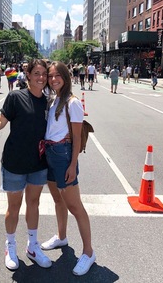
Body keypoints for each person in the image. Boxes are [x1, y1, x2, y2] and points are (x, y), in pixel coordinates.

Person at [0, 59, 52, 270]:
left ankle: (33, 245)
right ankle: (10, 245)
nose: (41, 77)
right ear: (29, 74)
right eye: (37, 73)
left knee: (34, 204)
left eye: (44, 74)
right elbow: (0, 123)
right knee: (13, 207)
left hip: (38, 163)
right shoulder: (15, 97)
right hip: (14, 162)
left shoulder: (48, 102)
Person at [41, 61, 96, 276]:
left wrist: (73, 164)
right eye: (50, 76)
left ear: (66, 77)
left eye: (58, 76)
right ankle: (61, 236)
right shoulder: (54, 99)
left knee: (75, 206)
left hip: (64, 156)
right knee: (58, 200)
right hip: (51, 154)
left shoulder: (72, 103)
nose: (53, 79)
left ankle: (89, 252)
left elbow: (75, 138)